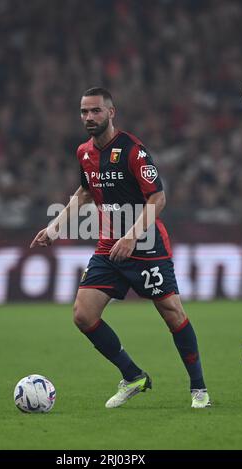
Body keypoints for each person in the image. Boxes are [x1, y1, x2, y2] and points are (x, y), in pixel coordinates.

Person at [30, 87, 211, 409]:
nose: (89, 117)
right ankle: (132, 376)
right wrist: (55, 227)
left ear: (111, 113)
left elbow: (159, 198)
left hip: (146, 246)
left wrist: (131, 236)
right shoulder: (84, 152)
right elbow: (84, 193)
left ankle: (199, 389)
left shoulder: (133, 151)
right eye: (84, 112)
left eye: (96, 111)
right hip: (108, 246)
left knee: (172, 314)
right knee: (83, 315)